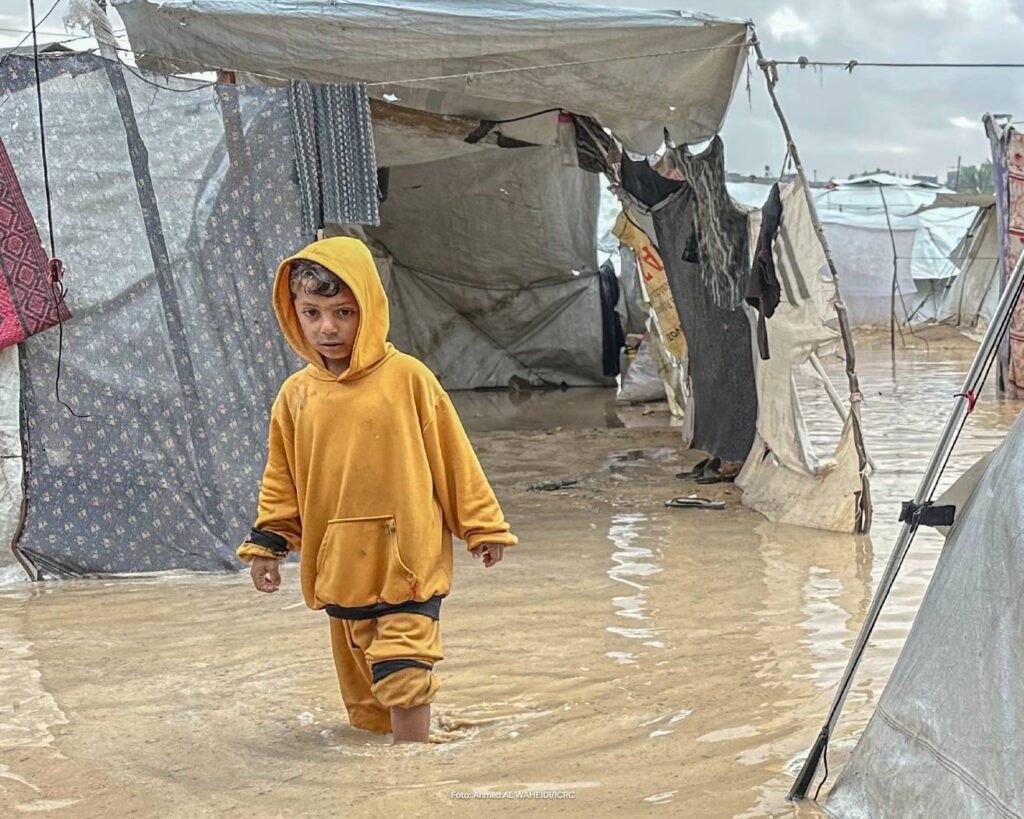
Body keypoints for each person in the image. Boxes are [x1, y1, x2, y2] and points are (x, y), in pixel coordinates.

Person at [237, 237, 516, 743]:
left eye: (344, 311)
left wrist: (482, 526)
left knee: (405, 677)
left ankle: (414, 778)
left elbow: (453, 459)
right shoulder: (295, 396)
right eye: (313, 312)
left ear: (369, 306)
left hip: (408, 564)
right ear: (292, 313)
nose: (328, 327)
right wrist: (270, 545)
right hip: (340, 568)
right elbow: (282, 479)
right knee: (368, 707)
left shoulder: (408, 378)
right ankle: (381, 784)